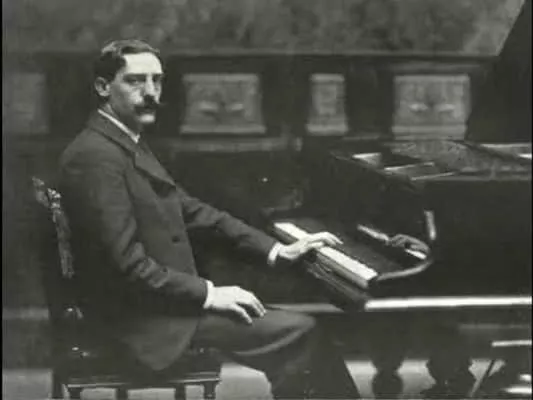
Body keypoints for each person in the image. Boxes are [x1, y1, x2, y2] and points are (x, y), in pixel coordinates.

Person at [59, 39, 361, 399]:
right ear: (103, 87)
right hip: (138, 323)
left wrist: (276, 251)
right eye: (135, 81)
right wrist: (209, 294)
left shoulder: (121, 141)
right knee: (300, 333)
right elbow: (126, 265)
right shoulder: (95, 157)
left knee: (297, 330)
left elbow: (194, 212)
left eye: (157, 80)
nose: (151, 92)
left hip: (154, 307)